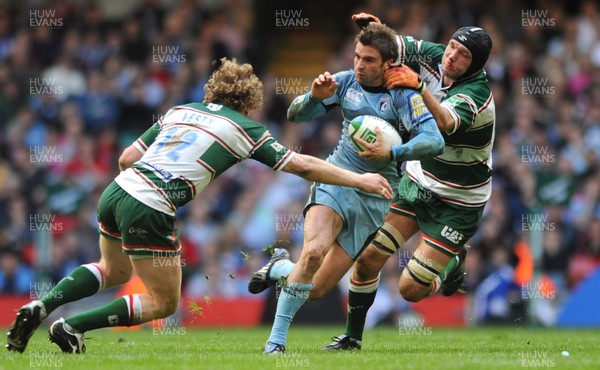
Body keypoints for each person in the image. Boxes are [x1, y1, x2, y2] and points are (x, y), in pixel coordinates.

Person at [5, 58, 394, 354]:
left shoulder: (178, 111)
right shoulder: (245, 129)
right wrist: (361, 178)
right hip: (150, 204)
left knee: (112, 269)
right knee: (164, 302)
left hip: (117, 191)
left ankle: (44, 304)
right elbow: (303, 165)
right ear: (250, 102)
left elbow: (126, 158)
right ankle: (71, 326)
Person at [251, 23, 445, 354]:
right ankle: (275, 343)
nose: (359, 65)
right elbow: (295, 115)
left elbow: (435, 140)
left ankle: (279, 267)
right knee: (313, 252)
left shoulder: (404, 95)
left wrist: (393, 153)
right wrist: (313, 96)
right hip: (337, 178)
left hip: (376, 195)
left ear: (387, 64)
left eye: (368, 59)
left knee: (317, 288)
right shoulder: (343, 82)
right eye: (357, 56)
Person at [322, 14, 495, 350]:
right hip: (419, 181)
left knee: (410, 289)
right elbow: (393, 44)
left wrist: (417, 86)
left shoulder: (478, 94)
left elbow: (444, 122)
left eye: (463, 56)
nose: (452, 57)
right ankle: (352, 338)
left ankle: (453, 264)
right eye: (453, 47)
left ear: (476, 66)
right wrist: (374, 28)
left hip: (459, 201)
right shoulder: (436, 54)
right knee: (369, 257)